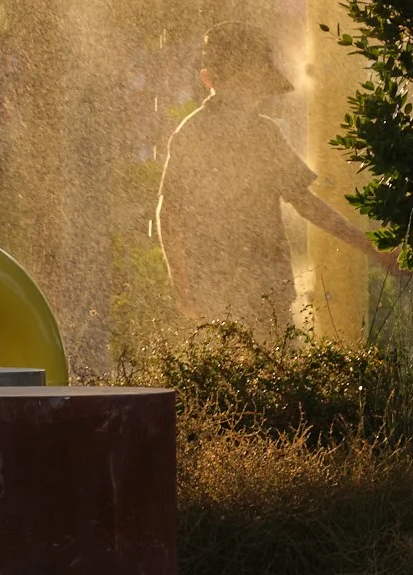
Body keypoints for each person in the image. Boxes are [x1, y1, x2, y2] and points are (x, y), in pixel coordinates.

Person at [154, 21, 393, 340]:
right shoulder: (204, 135)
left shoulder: (256, 135)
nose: (253, 95)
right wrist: (181, 284)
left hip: (256, 289)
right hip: (226, 289)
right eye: (248, 83)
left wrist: (370, 247)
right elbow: (169, 211)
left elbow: (306, 204)